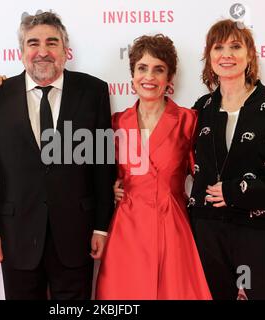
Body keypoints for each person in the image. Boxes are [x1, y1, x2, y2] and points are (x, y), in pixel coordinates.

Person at [0, 11, 115, 300]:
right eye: (33, 43)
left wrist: (101, 227)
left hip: (77, 233)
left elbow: (102, 166)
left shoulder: (93, 91)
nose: (43, 52)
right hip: (16, 235)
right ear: (21, 51)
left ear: (65, 50)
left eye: (52, 43)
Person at [188, 19, 265, 299]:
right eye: (218, 47)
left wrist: (235, 192)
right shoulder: (200, 110)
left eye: (235, 46)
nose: (226, 54)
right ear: (209, 57)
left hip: (258, 231)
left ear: (250, 54)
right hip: (207, 233)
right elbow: (175, 158)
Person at [95, 34, 211, 300]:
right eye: (142, 68)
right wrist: (110, 186)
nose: (149, 76)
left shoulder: (188, 121)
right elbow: (99, 173)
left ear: (169, 79)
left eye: (159, 69)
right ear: (133, 75)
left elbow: (205, 175)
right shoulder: (116, 124)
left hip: (173, 227)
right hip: (127, 229)